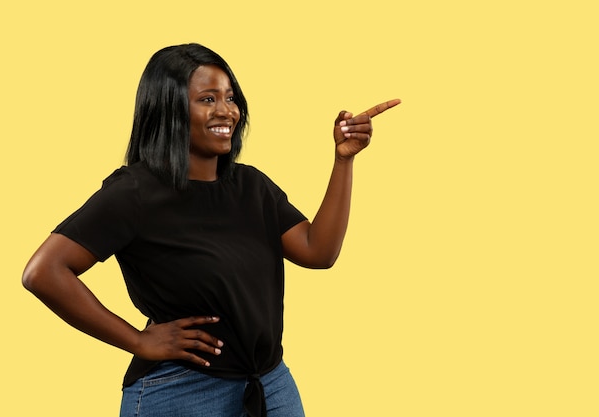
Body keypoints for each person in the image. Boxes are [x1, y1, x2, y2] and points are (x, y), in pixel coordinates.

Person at [22, 43, 400, 417]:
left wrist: (343, 161)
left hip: (269, 383)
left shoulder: (252, 187)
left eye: (230, 97)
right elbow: (43, 272)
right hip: (181, 389)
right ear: (169, 109)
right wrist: (138, 340)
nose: (227, 111)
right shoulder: (134, 192)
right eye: (207, 99)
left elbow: (318, 252)